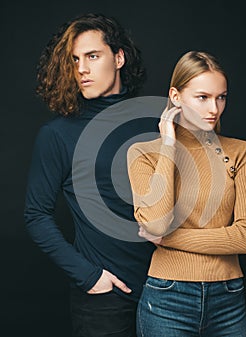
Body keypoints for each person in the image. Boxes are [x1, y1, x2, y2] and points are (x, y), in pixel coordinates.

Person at [24, 13, 156, 337]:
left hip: (165, 293)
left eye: (92, 56)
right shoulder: (58, 134)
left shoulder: (155, 124)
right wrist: (89, 276)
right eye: (75, 60)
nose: (81, 69)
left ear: (119, 57)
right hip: (104, 301)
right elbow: (35, 215)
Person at [127, 51, 246, 337]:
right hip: (167, 298)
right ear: (176, 96)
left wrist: (168, 239)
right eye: (202, 97)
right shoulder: (143, 153)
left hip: (229, 297)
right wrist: (167, 144)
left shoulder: (240, 152)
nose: (214, 108)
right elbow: (157, 222)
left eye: (221, 97)